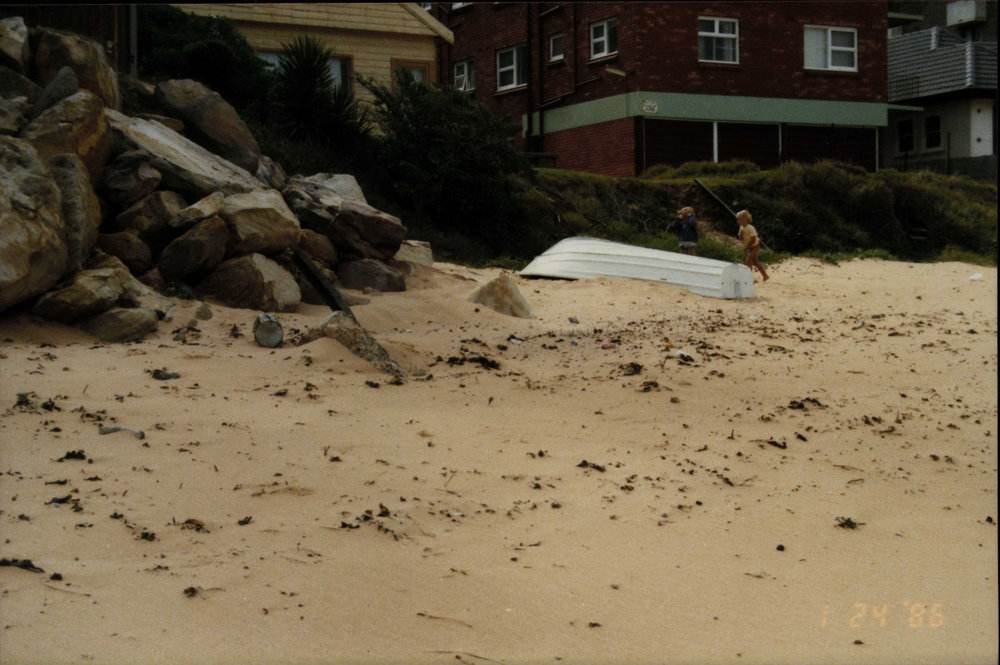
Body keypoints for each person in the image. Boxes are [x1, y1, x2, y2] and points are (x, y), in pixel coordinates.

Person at [736, 209, 768, 282]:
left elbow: (753, 239)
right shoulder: (742, 228)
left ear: (746, 220)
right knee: (756, 262)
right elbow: (740, 237)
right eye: (737, 220)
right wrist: (740, 235)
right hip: (750, 247)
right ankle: (765, 275)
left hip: (755, 246)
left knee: (748, 260)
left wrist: (747, 247)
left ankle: (749, 277)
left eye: (740, 220)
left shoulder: (750, 228)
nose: (738, 222)